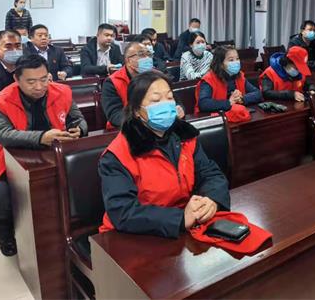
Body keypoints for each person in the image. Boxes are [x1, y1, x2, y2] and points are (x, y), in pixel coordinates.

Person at [98, 71, 230, 236]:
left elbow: (210, 173)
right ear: (137, 110)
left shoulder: (185, 136)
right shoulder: (117, 154)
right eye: (156, 100)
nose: (166, 105)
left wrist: (212, 200)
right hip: (131, 235)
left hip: (183, 226)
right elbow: (123, 212)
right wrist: (180, 219)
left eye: (169, 98)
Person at [0, 55, 87, 256]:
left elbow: (77, 118)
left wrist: (79, 129)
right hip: (14, 160)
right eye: (31, 82)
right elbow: (4, 134)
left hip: (57, 156)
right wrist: (41, 137)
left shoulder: (62, 91)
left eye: (44, 79)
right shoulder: (1, 100)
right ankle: (6, 237)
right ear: (17, 79)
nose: (39, 87)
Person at [196, 46, 262, 113]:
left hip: (237, 113)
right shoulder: (209, 79)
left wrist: (241, 99)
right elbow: (203, 104)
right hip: (217, 116)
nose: (236, 62)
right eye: (231, 60)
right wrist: (229, 102)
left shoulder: (239, 76)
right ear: (220, 64)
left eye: (237, 59)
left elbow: (257, 93)